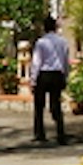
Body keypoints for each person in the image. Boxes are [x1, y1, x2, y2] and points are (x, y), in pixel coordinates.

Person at [31, 15, 71, 144]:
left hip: (44, 74)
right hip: (57, 74)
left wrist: (33, 80)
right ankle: (60, 133)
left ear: (44, 28)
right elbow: (65, 61)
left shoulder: (41, 42)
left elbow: (37, 62)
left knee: (39, 105)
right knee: (56, 104)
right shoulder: (63, 42)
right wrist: (65, 76)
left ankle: (40, 133)